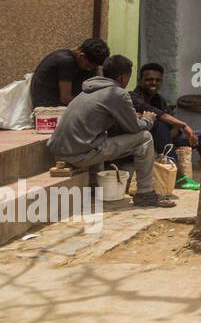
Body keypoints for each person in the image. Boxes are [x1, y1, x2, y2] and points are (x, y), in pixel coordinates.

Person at [47, 54, 175, 208]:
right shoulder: (117, 93)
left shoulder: (87, 90)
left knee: (99, 137)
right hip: (78, 155)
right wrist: (148, 119)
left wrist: (132, 117)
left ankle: (94, 187)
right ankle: (145, 193)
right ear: (123, 77)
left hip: (59, 151)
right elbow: (134, 128)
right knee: (145, 137)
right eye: (128, 77)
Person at [131, 63, 201, 191]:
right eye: (149, 80)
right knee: (160, 123)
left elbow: (171, 121)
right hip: (142, 140)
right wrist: (183, 125)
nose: (154, 83)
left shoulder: (159, 99)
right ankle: (178, 178)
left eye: (158, 80)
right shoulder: (133, 97)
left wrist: (173, 133)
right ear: (140, 80)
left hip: (164, 138)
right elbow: (156, 113)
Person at [30, 38, 110, 108]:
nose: (89, 69)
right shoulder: (67, 62)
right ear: (81, 56)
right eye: (88, 66)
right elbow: (65, 99)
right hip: (48, 110)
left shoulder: (72, 59)